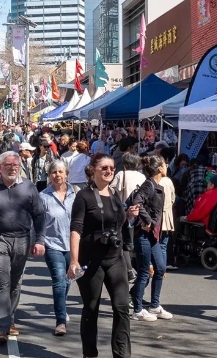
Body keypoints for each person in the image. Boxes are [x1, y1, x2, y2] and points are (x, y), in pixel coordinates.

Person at [0, 151, 46, 344]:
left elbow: (39, 216)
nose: (13, 168)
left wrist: (40, 240)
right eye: (8, 165)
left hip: (22, 239)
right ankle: (1, 328)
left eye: (16, 165)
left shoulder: (29, 187)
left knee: (16, 283)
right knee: (2, 283)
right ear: (0, 166)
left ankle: (10, 318)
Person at [68, 153, 136, 358]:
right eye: (104, 168)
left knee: (122, 307)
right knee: (91, 309)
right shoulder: (84, 196)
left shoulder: (115, 194)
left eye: (112, 168)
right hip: (91, 261)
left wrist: (129, 216)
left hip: (115, 259)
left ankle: (121, 354)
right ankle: (90, 354)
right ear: (93, 170)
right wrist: (74, 260)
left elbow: (117, 224)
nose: (109, 172)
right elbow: (76, 229)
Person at [130, 155, 173, 322]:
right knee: (143, 273)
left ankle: (154, 305)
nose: (167, 166)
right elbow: (137, 201)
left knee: (160, 268)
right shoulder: (149, 184)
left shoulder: (156, 184)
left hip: (153, 235)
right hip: (144, 235)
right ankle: (138, 309)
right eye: (164, 163)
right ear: (159, 168)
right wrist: (147, 221)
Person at [39, 160, 76, 336]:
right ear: (49, 175)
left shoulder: (75, 194)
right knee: (59, 281)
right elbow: (37, 222)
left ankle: (61, 305)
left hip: (73, 245)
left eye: (61, 171)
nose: (57, 175)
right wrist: (38, 242)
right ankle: (60, 321)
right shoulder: (43, 196)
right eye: (54, 172)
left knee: (69, 280)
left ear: (66, 174)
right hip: (52, 244)